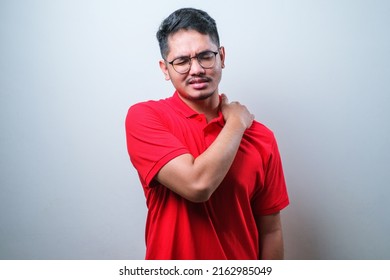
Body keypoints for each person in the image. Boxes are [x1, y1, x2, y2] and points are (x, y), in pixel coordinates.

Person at [125, 7, 289, 260]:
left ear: (221, 56)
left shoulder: (262, 137)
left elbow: (271, 231)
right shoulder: (146, 117)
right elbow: (197, 185)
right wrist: (235, 121)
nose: (196, 69)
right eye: (181, 61)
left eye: (205, 56)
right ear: (164, 69)